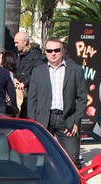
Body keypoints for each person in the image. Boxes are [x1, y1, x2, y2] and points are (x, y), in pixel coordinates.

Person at [26, 37, 87, 169]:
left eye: (56, 50)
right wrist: (33, 122)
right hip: (43, 119)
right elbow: (32, 99)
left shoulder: (75, 70)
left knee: (72, 158)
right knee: (38, 157)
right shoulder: (38, 71)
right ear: (45, 52)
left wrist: (76, 120)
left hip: (67, 119)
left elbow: (82, 97)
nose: (53, 53)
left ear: (62, 51)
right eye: (49, 50)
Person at [14, 31, 44, 118]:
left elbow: (37, 73)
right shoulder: (19, 54)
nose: (15, 45)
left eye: (17, 42)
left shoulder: (35, 56)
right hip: (19, 90)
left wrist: (25, 82)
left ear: (25, 42)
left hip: (29, 92)